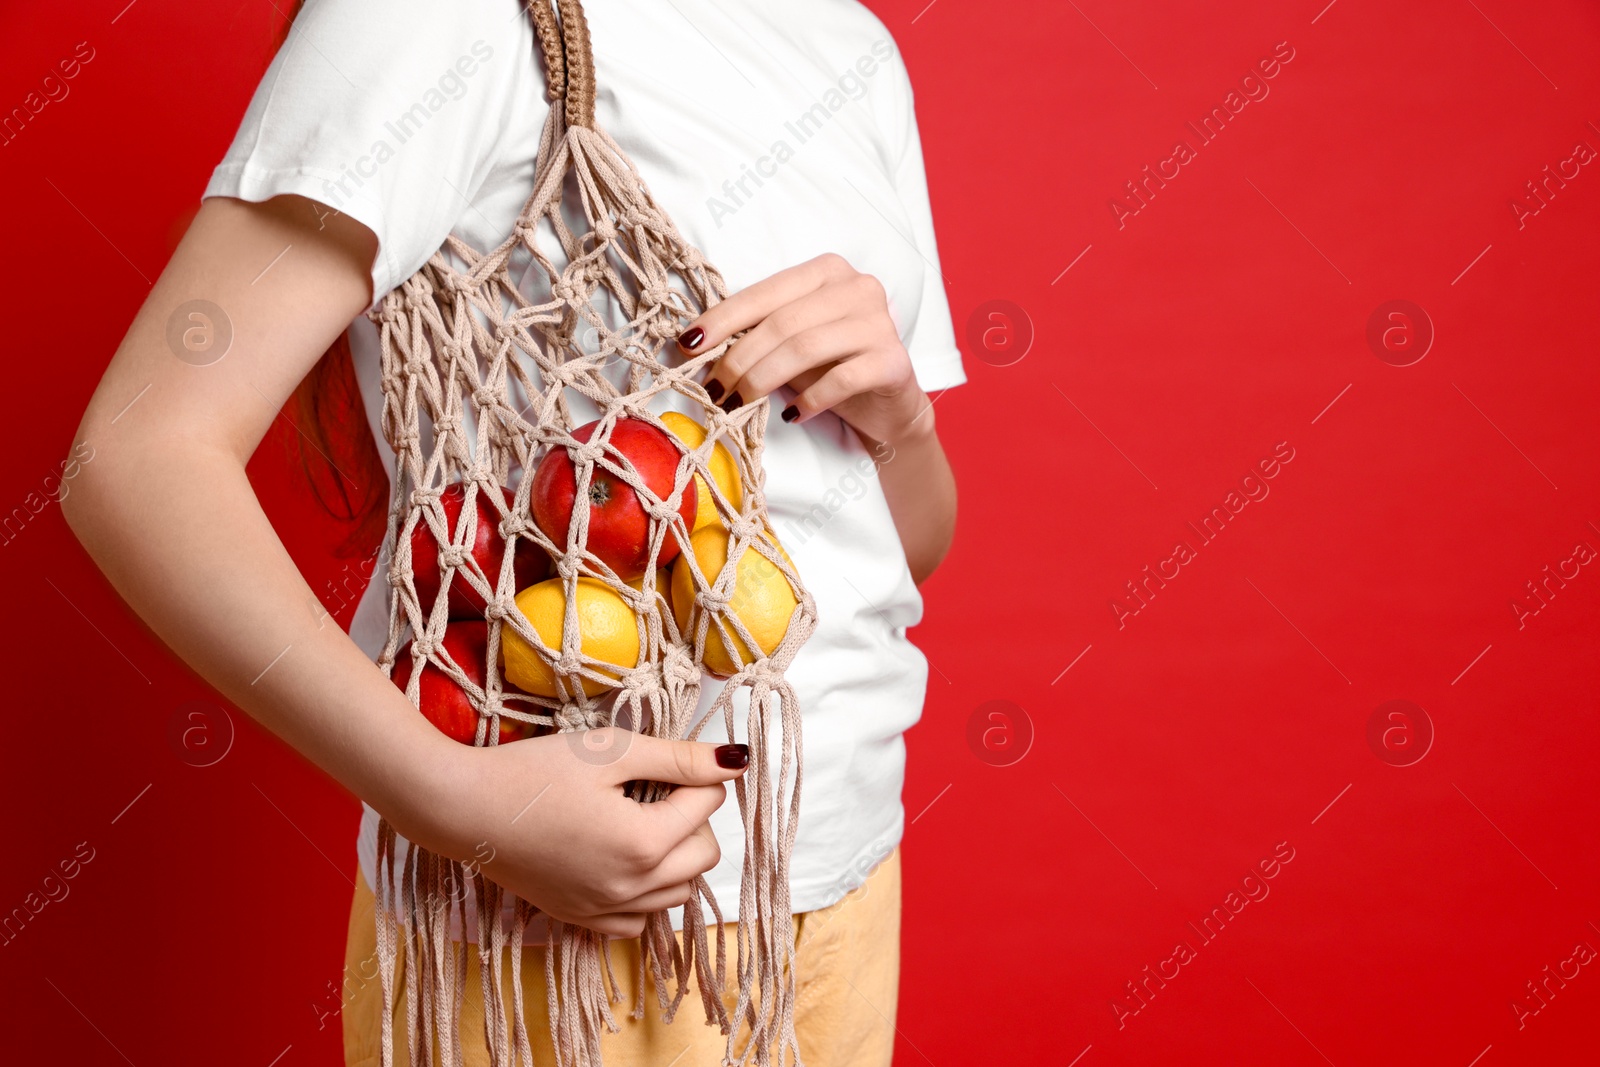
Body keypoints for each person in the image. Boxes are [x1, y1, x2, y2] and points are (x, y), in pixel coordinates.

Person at [63, 0, 962, 1063]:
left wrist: (899, 414)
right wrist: (457, 802)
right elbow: (134, 456)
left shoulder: (848, 42)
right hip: (571, 933)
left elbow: (901, 548)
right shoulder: (439, 19)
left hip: (839, 874)